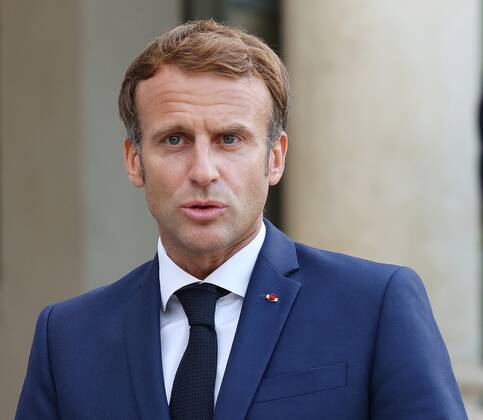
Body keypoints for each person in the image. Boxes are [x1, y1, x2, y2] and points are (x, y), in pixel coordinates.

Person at [16, 19, 468, 420]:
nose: (203, 171)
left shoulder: (374, 307)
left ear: (275, 158)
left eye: (229, 139)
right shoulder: (68, 338)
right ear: (135, 160)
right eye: (175, 139)